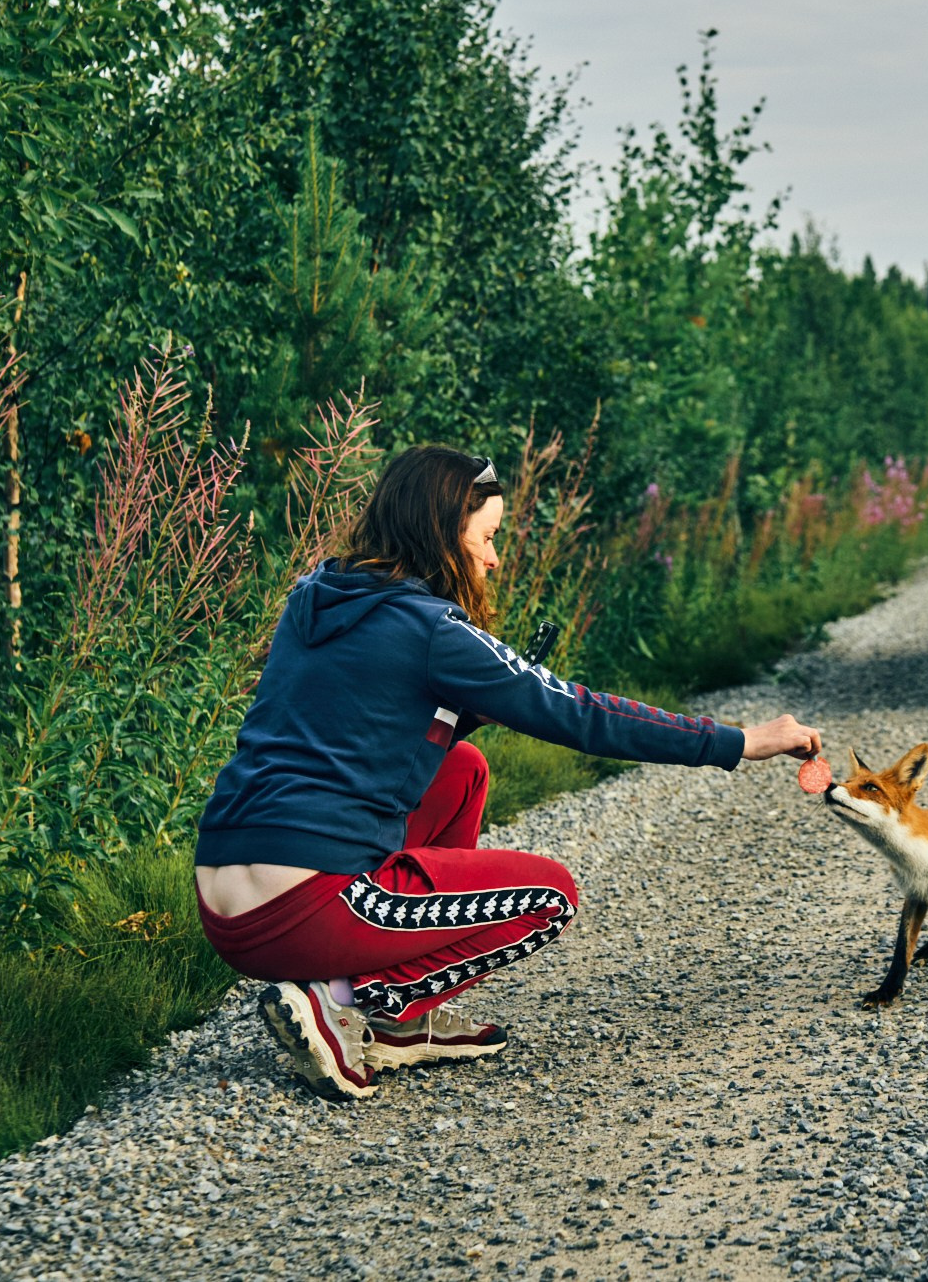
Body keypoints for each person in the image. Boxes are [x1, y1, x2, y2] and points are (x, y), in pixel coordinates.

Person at [195, 446, 822, 1100]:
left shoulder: (314, 596)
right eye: (487, 537)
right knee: (549, 898)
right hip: (309, 907)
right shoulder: (432, 629)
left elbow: (344, 731)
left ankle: (392, 1014)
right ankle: (351, 1004)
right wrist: (739, 740)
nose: (493, 559)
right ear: (442, 532)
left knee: (461, 768)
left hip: (224, 905)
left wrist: (455, 714)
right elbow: (581, 713)